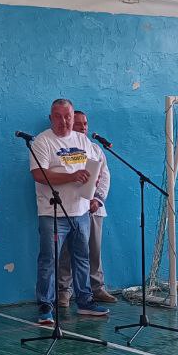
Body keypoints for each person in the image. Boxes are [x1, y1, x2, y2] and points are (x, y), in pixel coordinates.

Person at [30, 99, 109, 325]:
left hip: (81, 211)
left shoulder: (82, 140)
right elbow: (39, 174)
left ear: (73, 118)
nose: (63, 121)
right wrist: (71, 177)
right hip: (52, 213)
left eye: (68, 116)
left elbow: (95, 168)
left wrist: (93, 186)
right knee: (49, 260)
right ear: (50, 118)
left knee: (82, 258)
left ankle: (85, 301)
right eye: (58, 116)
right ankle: (46, 306)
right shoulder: (42, 141)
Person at [56, 110, 116, 307]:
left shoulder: (95, 149)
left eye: (85, 124)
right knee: (67, 251)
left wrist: (97, 199)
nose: (83, 127)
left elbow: (104, 175)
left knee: (94, 250)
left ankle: (97, 288)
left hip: (93, 208)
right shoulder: (63, 149)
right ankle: (64, 291)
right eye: (78, 123)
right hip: (70, 208)